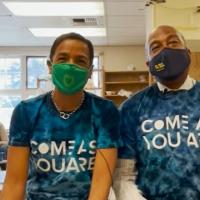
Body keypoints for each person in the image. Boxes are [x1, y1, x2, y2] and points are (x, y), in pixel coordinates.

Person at [1, 32, 122, 200]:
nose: (70, 66)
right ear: (50, 66)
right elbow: (14, 182)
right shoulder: (26, 112)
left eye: (80, 61)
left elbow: (101, 181)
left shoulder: (104, 111)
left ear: (89, 71)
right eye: (63, 59)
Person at [113, 25, 200, 200]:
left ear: (188, 53)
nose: (165, 50)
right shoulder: (131, 108)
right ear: (149, 64)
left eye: (173, 42)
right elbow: (122, 177)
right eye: (155, 47)